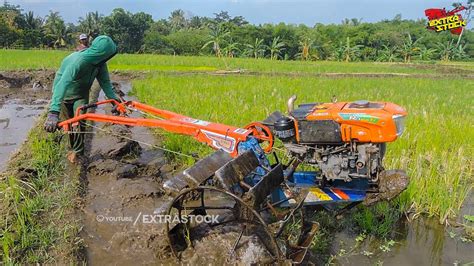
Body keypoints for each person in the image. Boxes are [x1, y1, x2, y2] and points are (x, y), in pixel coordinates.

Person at [44, 35, 120, 163]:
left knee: (79, 122)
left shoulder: (100, 64)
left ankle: (78, 153)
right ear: (102, 53)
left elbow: (105, 83)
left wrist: (114, 101)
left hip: (81, 95)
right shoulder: (78, 61)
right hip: (64, 94)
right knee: (67, 123)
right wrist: (53, 112)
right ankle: (71, 148)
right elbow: (62, 84)